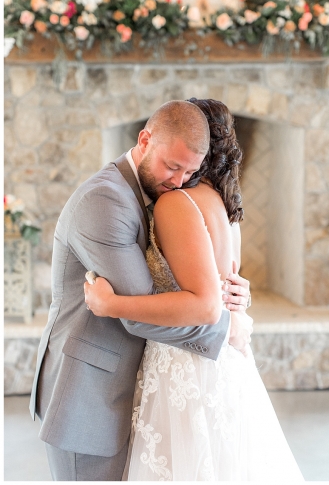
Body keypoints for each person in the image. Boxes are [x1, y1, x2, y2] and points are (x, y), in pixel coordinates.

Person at [30, 100, 252, 481]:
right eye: (172, 166)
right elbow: (139, 311)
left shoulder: (159, 191)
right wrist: (226, 326)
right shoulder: (106, 200)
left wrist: (230, 295)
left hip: (132, 387)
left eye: (190, 171)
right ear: (145, 139)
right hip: (89, 394)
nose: (180, 180)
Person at [84, 98, 304, 481]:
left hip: (185, 362)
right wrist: (238, 305)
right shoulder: (223, 206)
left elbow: (204, 305)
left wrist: (112, 303)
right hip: (224, 360)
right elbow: (221, 283)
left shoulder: (175, 204)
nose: (178, 176)